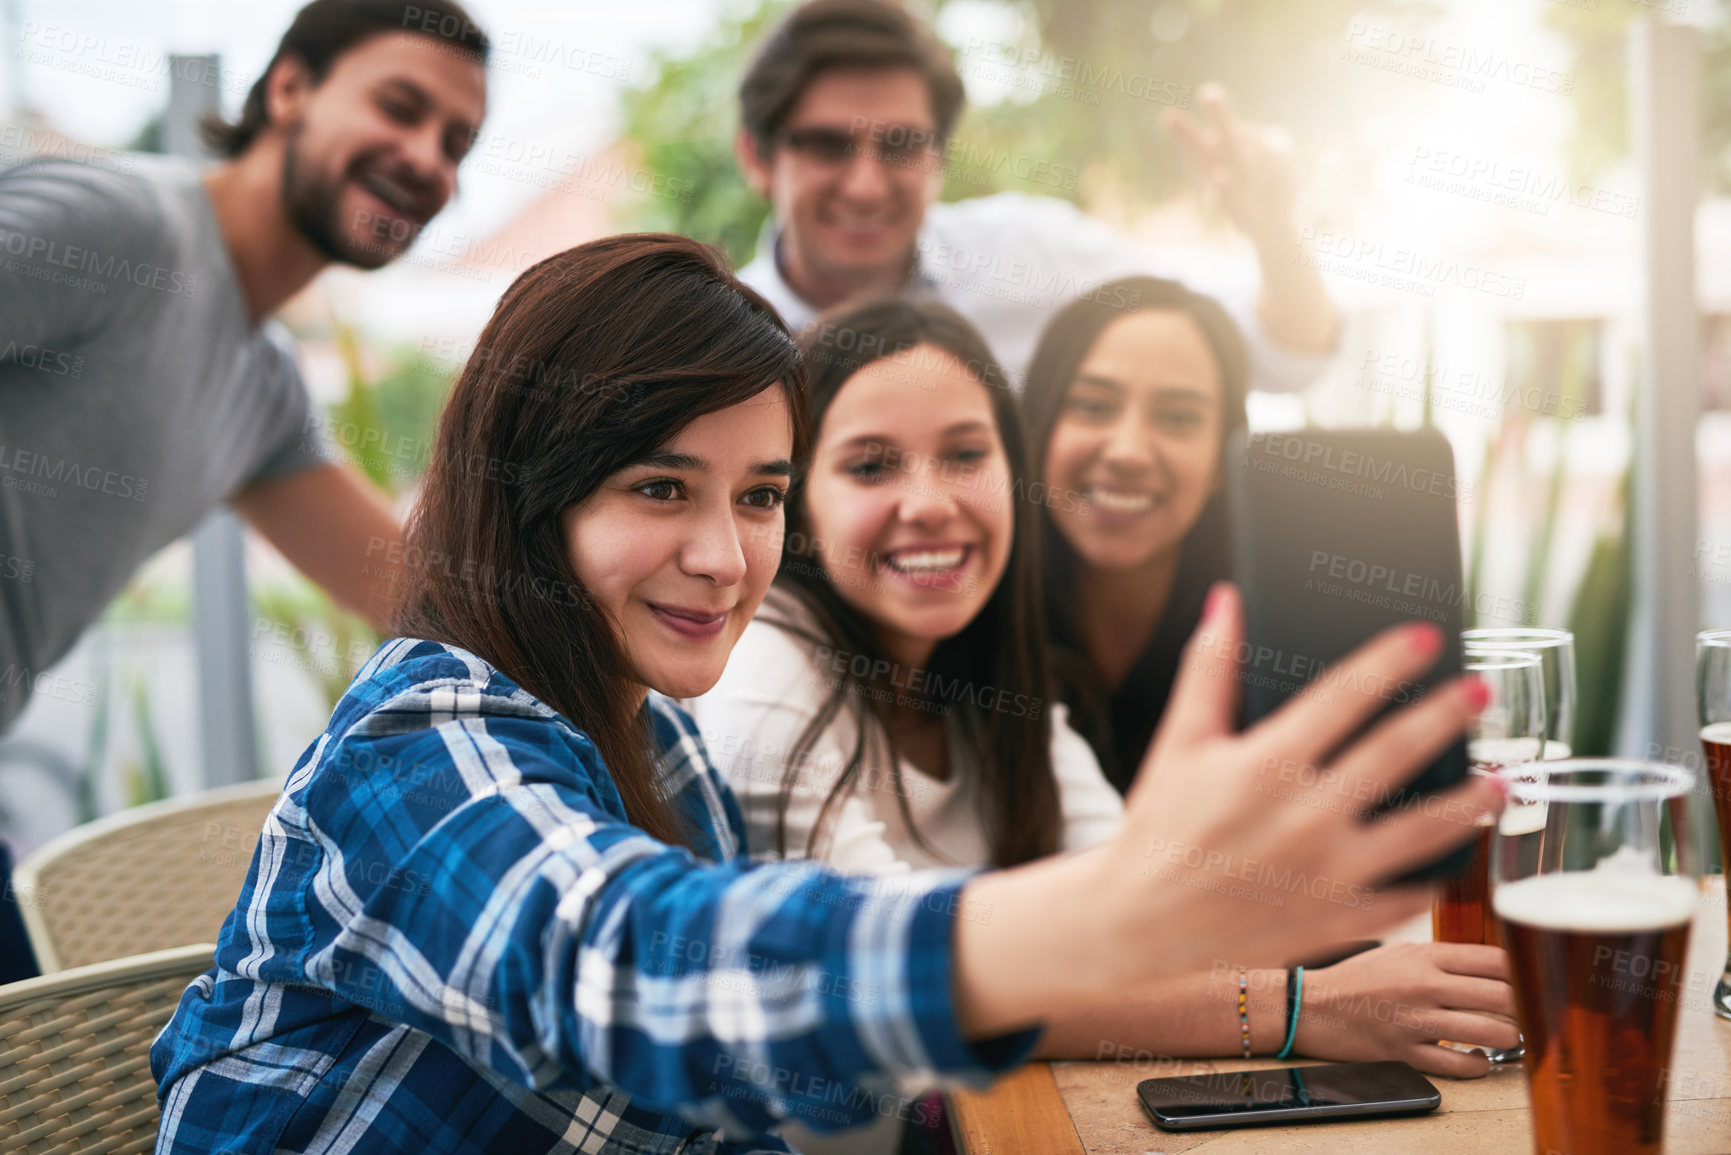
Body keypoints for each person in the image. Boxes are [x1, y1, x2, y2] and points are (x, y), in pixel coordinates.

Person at [151, 234, 1502, 1153]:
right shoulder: (420, 734)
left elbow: (784, 1090)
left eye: (755, 495)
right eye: (658, 486)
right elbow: (633, 970)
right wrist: (1124, 927)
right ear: (523, 493)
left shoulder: (660, 735)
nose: (722, 553)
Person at [694, 298, 1518, 1088]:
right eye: (871, 464)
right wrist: (1299, 1005)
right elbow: (889, 975)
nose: (930, 502)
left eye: (966, 454)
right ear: (795, 498)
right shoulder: (764, 679)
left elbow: (1154, 915)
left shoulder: (995, 685)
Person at [0, 0, 489, 735]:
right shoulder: (119, 224)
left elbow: (418, 597)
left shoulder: (263, 391)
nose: (427, 160)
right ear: (290, 88)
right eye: (398, 107)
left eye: (456, 145)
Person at [731, 0, 1338, 390]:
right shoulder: (722, 346)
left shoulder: (1036, 257)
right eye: (827, 146)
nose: (865, 186)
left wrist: (1275, 230)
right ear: (757, 159)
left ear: (940, 157)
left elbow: (1281, 355)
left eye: (900, 145)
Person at [1023, 275, 1244, 790]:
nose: (1127, 451)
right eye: (1093, 406)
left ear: (1222, 461)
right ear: (1037, 425)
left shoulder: (1269, 643)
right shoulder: (961, 621)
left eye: (1179, 417)